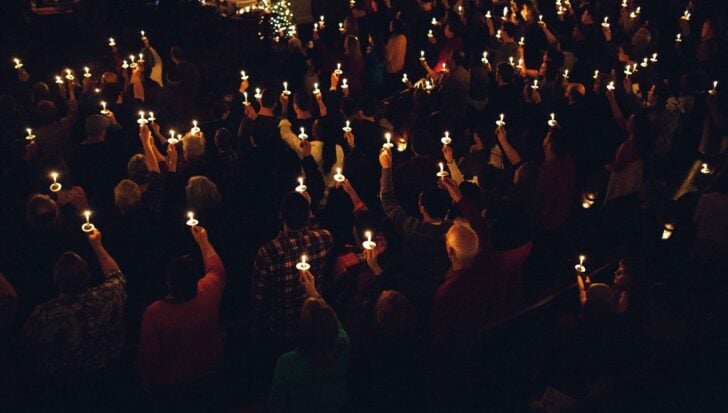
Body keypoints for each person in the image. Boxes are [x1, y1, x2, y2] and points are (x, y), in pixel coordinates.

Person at [19, 228, 126, 379]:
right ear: (88, 275)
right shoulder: (110, 296)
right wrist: (97, 246)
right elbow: (115, 274)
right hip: (111, 371)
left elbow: (27, 345)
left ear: (56, 281)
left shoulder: (44, 315)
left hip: (66, 381)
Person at [138, 225, 226, 390]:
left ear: (168, 283)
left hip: (175, 384)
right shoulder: (209, 291)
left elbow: (148, 358)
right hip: (212, 371)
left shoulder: (155, 314)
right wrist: (203, 241)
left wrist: (147, 382)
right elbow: (217, 269)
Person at [251, 191, 334, 343]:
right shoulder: (325, 239)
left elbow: (259, 298)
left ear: (280, 216)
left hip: (282, 328)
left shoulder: (269, 252)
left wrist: (256, 329)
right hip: (315, 323)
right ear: (309, 216)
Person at [268, 270, 349, 413]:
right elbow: (334, 320)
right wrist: (314, 292)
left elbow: (276, 406)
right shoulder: (343, 343)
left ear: (303, 328)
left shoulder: (287, 363)